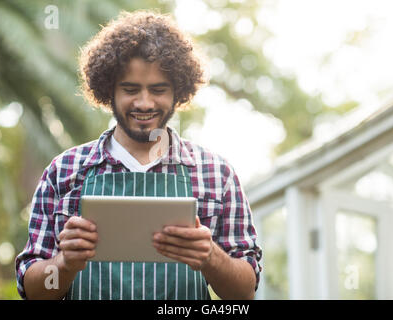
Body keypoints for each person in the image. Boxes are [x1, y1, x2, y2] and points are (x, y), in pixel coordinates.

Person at [15, 10, 262, 300]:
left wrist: (211, 257)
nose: (144, 103)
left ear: (178, 92)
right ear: (108, 91)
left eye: (158, 90)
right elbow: (32, 292)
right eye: (130, 89)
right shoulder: (64, 171)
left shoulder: (217, 175)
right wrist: (64, 264)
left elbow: (245, 293)